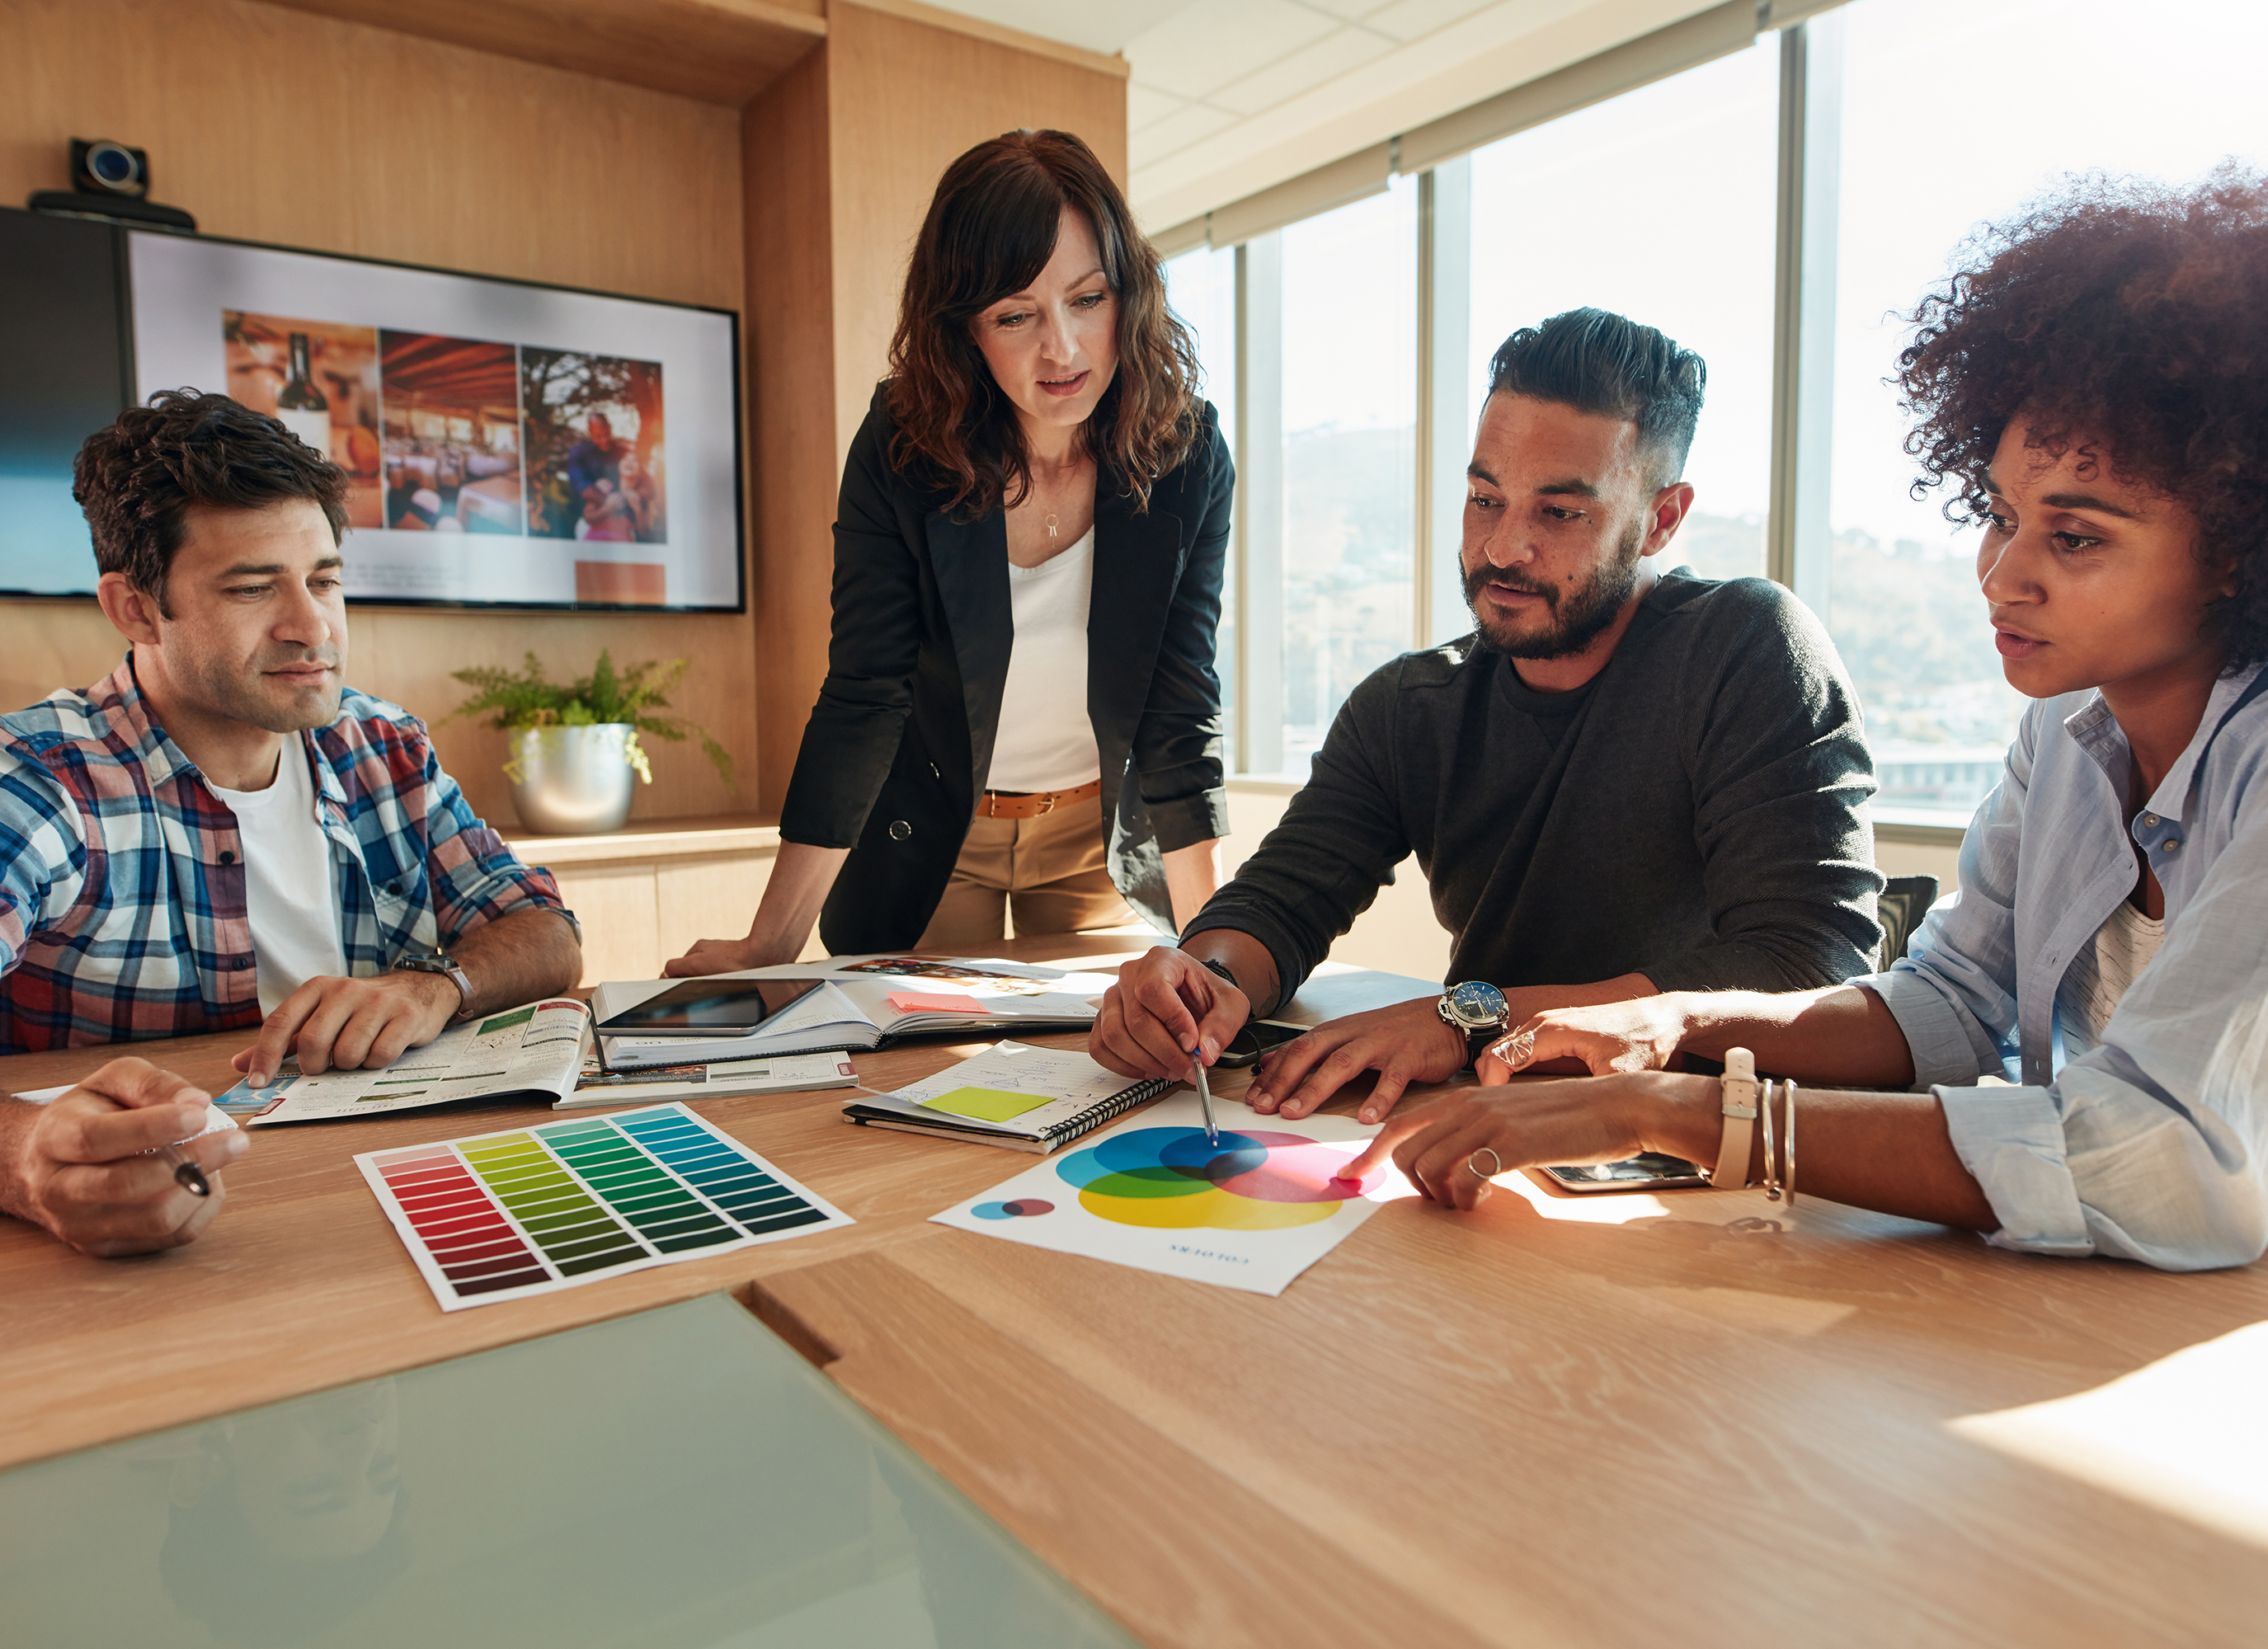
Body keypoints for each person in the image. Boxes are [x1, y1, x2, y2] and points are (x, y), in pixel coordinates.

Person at [1350, 170, 2268, 1272]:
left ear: (2232, 545)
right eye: (1998, 516)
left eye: (2070, 539)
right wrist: (1673, 1029)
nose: (1998, 574)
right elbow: (1948, 1003)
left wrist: (1682, 1114)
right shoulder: (2067, 732)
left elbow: (2153, 1154)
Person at [1092, 308, 1882, 1118]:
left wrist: (1469, 1017)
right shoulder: (1408, 708)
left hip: (1717, 1135)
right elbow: (1278, 903)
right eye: (1483, 498)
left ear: (1661, 520)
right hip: (1494, 1127)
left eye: (1559, 513)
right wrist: (1200, 981)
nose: (1502, 548)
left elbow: (1811, 966)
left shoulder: (1745, 648)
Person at [0, 390, 582, 1257]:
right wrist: (23, 1158)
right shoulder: (41, 779)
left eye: (324, 580)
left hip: (387, 1206)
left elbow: (547, 934)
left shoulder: (382, 744)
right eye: (250, 588)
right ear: (132, 608)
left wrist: (432, 987)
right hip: (154, 1256)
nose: (312, 627)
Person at [666, 129, 1229, 973]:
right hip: (933, 832)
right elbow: (866, 693)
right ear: (963, 327)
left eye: (1087, 299)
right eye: (1015, 315)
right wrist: (769, 946)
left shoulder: (1183, 452)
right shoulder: (904, 445)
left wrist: (1218, 955)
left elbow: (1176, 710)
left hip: (1093, 839)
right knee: (909, 1077)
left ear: (1128, 292)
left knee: (1106, 1075)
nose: (1063, 351)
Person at [566, 411, 623, 534]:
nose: (604, 440)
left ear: (610, 428)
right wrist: (610, 503)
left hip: (621, 519)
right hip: (588, 519)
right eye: (598, 436)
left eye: (606, 434)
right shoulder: (578, 453)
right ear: (590, 433)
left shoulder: (622, 451)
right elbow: (580, 486)